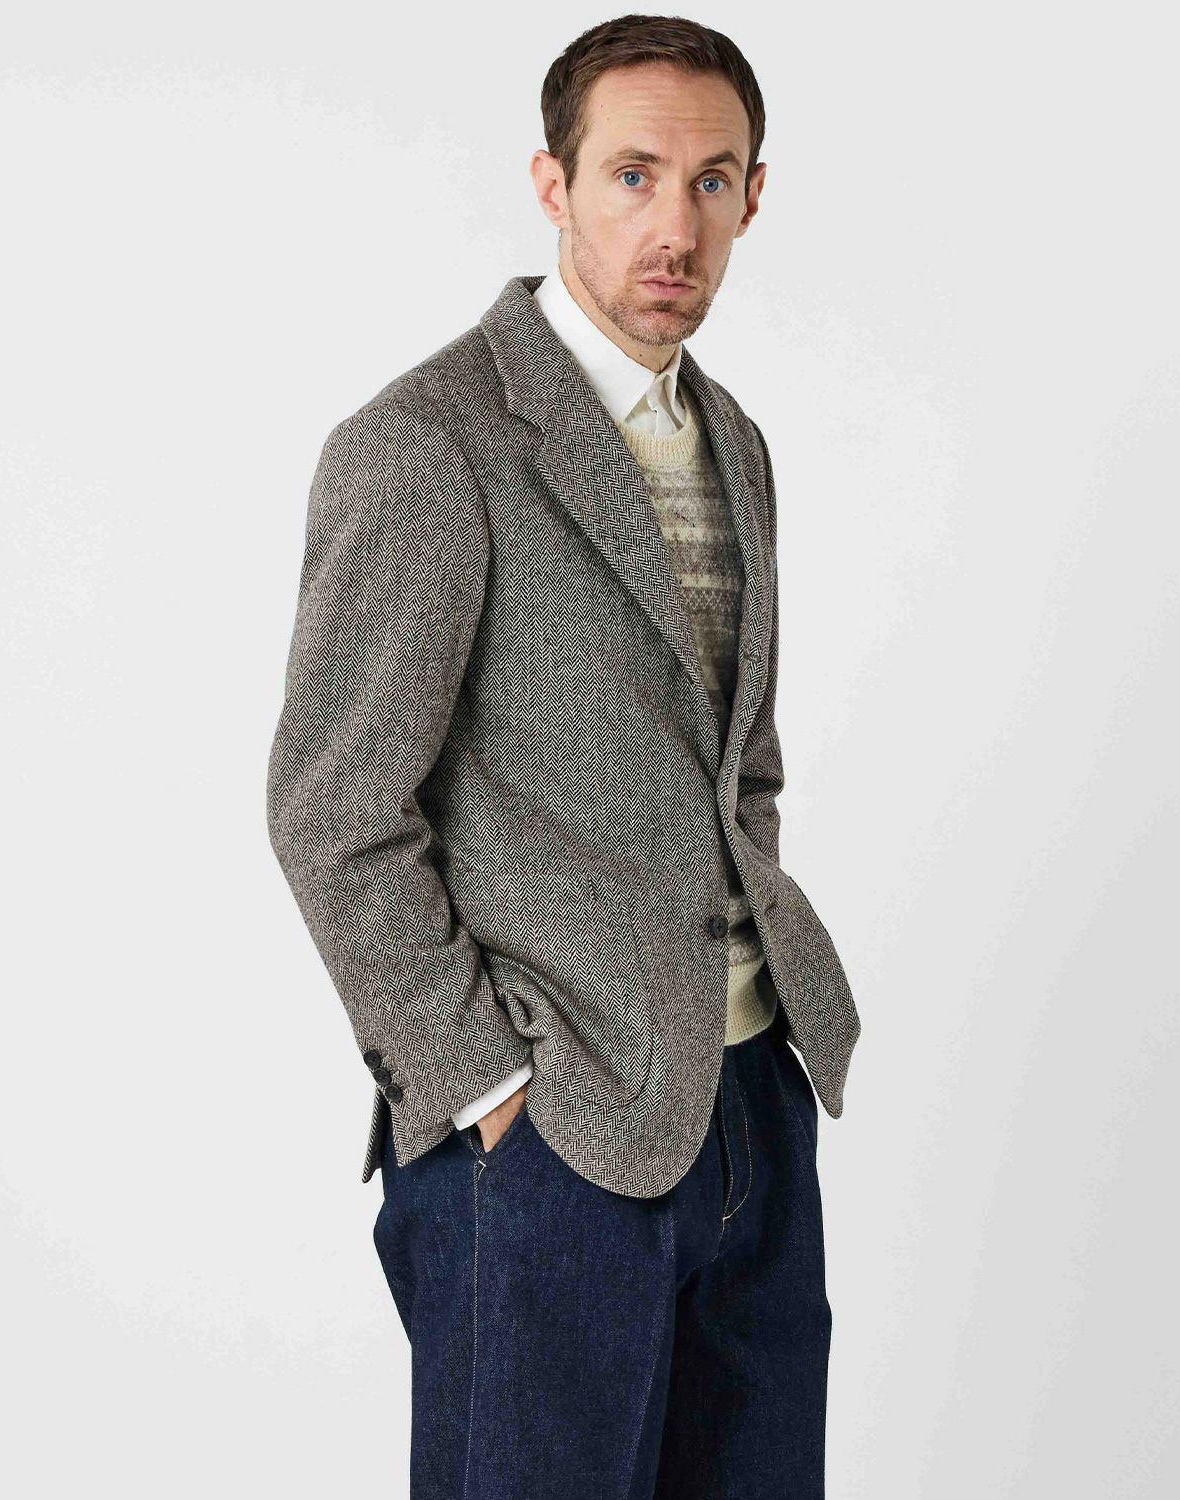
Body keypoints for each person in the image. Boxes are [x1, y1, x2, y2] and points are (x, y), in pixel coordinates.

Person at [266, 15, 861, 1498]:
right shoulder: (429, 441)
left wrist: (754, 1047)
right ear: (553, 183)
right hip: (546, 1142)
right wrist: (482, 1088)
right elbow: (333, 807)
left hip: (751, 1113)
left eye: (711, 182)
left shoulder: (733, 441)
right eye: (633, 175)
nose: (676, 227)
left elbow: (740, 768)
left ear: (754, 197)